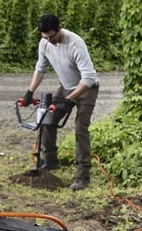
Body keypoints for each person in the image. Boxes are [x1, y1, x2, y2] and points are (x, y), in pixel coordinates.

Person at [19, 13, 99, 191]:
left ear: (60, 28)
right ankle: (51, 161)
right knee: (47, 119)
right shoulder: (45, 43)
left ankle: (83, 174)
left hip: (86, 89)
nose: (50, 41)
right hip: (66, 87)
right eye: (45, 38)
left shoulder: (75, 44)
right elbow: (40, 69)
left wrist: (69, 100)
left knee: (80, 128)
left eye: (52, 37)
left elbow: (89, 77)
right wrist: (29, 92)